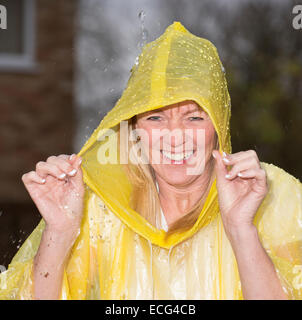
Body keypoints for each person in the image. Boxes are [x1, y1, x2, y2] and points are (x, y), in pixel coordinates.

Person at [1, 22, 302, 300]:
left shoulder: (272, 195)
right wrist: (61, 232)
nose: (174, 136)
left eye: (194, 117)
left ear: (219, 127)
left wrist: (241, 229)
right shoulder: (98, 209)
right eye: (156, 117)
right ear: (134, 129)